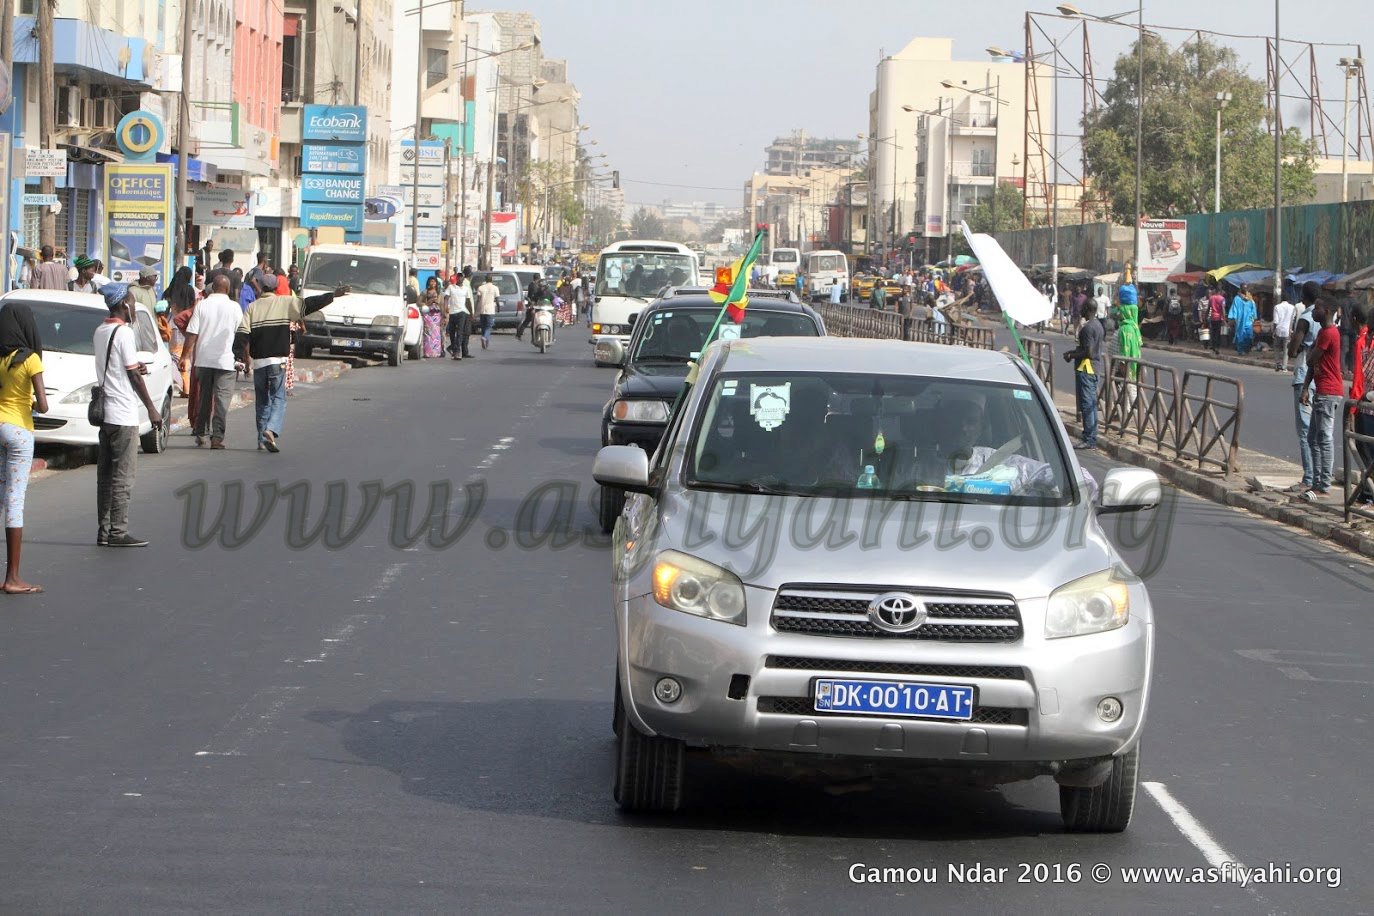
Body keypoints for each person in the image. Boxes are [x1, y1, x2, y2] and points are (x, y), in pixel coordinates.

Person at [234, 278, 347, 452]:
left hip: (259, 363)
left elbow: (242, 335)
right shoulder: (285, 302)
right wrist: (332, 295)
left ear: (262, 288)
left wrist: (238, 358)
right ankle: (270, 430)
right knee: (279, 398)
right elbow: (309, 304)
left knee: (262, 401)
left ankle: (260, 439)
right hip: (277, 362)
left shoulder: (252, 307)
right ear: (276, 287)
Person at [93, 284, 162, 547]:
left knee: (105, 477)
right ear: (123, 305)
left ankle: (104, 530)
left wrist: (136, 368)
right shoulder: (123, 333)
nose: (133, 307)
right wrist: (152, 408)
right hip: (123, 414)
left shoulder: (101, 330)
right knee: (123, 477)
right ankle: (118, 532)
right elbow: (132, 375)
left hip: (106, 414)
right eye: (131, 303)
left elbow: (123, 368)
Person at [0, 304, 49, 593]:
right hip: (19, 432)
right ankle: (13, 578)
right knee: (14, 501)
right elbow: (42, 404)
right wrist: (33, 402)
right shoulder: (29, 359)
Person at [180, 275, 241, 449]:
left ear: (213, 288)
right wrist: (244, 357)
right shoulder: (234, 307)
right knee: (222, 401)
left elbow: (192, 333)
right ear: (228, 289)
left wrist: (185, 356)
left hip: (204, 360)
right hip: (225, 361)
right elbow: (242, 333)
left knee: (204, 398)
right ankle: (217, 437)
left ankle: (201, 434)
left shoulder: (202, 305)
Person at [1300, 302, 1343, 501]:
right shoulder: (1322, 333)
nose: (1313, 312)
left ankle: (1324, 485)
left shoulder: (1329, 333)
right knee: (1313, 439)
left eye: (1316, 308)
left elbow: (1310, 360)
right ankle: (1317, 482)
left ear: (1326, 311)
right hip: (1320, 389)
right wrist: (1305, 387)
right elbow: (1312, 364)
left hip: (1329, 390)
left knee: (1324, 438)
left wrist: (1310, 356)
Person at [1286, 280, 1321, 494]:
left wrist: (1293, 343)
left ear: (1303, 296)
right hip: (1321, 376)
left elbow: (1292, 350)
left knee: (1305, 429)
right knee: (1319, 431)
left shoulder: (1306, 319)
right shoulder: (1325, 318)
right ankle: (1318, 477)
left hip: (1304, 376)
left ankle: (1308, 477)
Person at [1063, 299, 1104, 450]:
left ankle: (1089, 438)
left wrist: (1071, 356)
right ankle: (1092, 435)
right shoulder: (1098, 325)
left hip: (1086, 368)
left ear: (1087, 309)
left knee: (1087, 404)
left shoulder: (1087, 329)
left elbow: (1088, 352)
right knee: (1092, 403)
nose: (1080, 311)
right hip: (1095, 368)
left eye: (1082, 308)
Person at [1350, 306, 1374, 504]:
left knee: (1368, 451)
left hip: (1368, 404)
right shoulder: (1365, 342)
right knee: (1364, 449)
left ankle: (1369, 493)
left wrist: (1354, 405)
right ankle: (1367, 490)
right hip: (1364, 403)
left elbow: (1359, 377)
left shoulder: (1364, 343)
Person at [443, 272, 473, 360]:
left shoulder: (466, 289)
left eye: (461, 277)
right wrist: (445, 310)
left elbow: (468, 302)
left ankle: (457, 352)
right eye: (458, 277)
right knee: (452, 333)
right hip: (452, 313)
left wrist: (471, 313)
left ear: (463, 279)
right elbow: (446, 298)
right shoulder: (451, 287)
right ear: (456, 278)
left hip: (462, 312)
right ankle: (453, 348)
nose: (460, 279)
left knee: (460, 332)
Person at [1229, 284, 1257, 355]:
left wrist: (1253, 318)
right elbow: (1234, 308)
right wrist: (1234, 318)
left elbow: (1253, 309)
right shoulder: (1237, 298)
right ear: (1241, 288)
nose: (1245, 289)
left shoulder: (1250, 298)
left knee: (1249, 336)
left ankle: (1247, 349)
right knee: (1240, 335)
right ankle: (1240, 350)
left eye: (1246, 288)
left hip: (1248, 320)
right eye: (1243, 288)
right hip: (1240, 320)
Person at [1272, 291, 1297, 372]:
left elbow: (1275, 321)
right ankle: (1284, 366)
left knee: (1277, 348)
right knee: (1286, 349)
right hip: (1287, 331)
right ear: (1288, 299)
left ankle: (1277, 364)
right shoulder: (1293, 307)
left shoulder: (1277, 307)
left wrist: (1274, 331)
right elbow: (1292, 320)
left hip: (1278, 330)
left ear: (1281, 299)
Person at [517, 275, 547, 341]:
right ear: (538, 279)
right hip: (534, 305)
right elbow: (534, 297)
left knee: (528, 321)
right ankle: (533, 337)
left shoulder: (531, 285)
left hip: (532, 304)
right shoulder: (535, 286)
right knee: (532, 321)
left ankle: (519, 334)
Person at [422, 276, 444, 357]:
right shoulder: (425, 292)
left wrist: (444, 316)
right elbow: (419, 302)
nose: (433, 283)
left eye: (434, 282)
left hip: (437, 315)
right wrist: (428, 303)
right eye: (431, 282)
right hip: (428, 315)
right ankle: (427, 352)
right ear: (428, 283)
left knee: (436, 334)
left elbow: (442, 304)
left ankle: (436, 352)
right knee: (427, 333)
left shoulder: (439, 293)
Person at [476, 273, 499, 349]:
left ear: (485, 280)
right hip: (490, 310)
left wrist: (476, 309)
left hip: (482, 310)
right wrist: (498, 308)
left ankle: (486, 342)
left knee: (483, 327)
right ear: (492, 280)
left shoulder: (480, 288)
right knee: (489, 326)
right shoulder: (495, 288)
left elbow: (478, 300)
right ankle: (485, 337)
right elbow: (497, 299)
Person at [1205, 284, 1226, 355]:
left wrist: (1206, 316)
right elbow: (1223, 309)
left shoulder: (1211, 298)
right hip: (1219, 318)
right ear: (1220, 291)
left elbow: (1208, 308)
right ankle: (1217, 347)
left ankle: (1213, 346)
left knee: (1213, 333)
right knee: (1218, 333)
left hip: (1212, 317)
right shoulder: (1222, 299)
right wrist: (1224, 319)